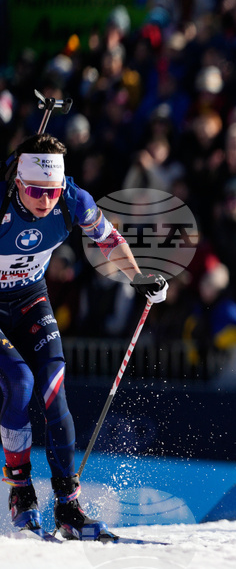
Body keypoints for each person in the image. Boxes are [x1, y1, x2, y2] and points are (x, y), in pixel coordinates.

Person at [0, 134, 168, 541]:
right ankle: (21, 491)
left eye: (52, 191)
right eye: (36, 191)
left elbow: (109, 239)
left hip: (28, 299)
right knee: (20, 384)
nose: (45, 200)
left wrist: (138, 278)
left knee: (55, 390)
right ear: (19, 183)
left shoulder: (74, 200)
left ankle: (67, 506)